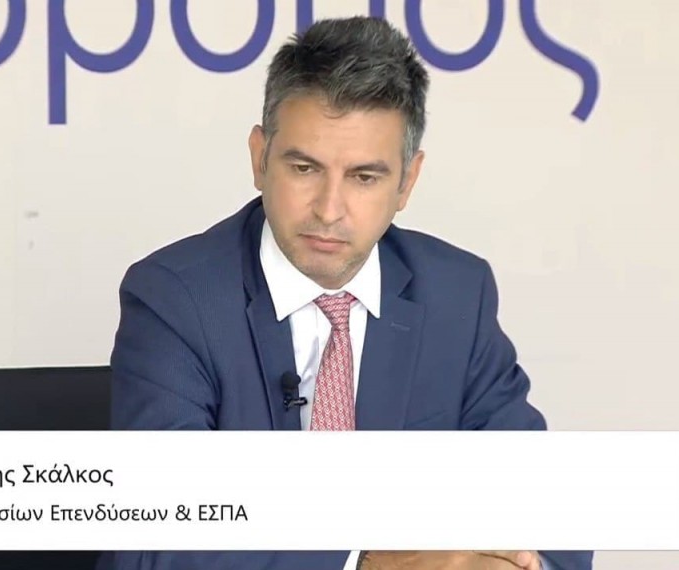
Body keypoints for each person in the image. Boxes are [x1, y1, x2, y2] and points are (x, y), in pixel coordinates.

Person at [106, 16, 593, 570]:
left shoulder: (458, 294)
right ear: (259, 158)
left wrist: (508, 564)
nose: (329, 209)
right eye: (304, 167)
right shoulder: (175, 298)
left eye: (364, 177)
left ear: (407, 182)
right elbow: (157, 539)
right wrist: (366, 562)